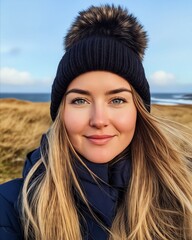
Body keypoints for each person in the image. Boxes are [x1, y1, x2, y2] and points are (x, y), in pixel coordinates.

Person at [0, 4, 192, 240]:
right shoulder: (12, 206)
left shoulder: (183, 194)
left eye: (117, 100)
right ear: (61, 112)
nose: (99, 120)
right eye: (80, 100)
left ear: (138, 110)